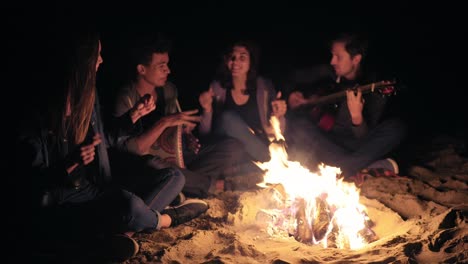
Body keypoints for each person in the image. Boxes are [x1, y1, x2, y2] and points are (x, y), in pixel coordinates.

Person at [16, 29, 208, 262]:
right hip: (64, 201)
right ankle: (168, 218)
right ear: (82, 60)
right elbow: (31, 186)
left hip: (94, 188)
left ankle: (123, 232)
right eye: (97, 54)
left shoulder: (88, 96)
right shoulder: (40, 110)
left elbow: (105, 140)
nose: (101, 60)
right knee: (129, 205)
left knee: (172, 178)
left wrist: (133, 116)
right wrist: (69, 164)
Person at [112, 35, 243, 196]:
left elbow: (173, 133)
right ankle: (211, 185)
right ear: (141, 69)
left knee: (232, 147)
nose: (168, 70)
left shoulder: (168, 90)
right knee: (153, 164)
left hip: (175, 162)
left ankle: (187, 184)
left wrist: (185, 136)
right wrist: (165, 122)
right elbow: (134, 151)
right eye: (162, 66)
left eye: (167, 64)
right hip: (145, 166)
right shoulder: (125, 97)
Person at [285, 32, 406, 182]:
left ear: (356, 59)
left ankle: (341, 169)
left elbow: (364, 139)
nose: (332, 61)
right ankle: (360, 168)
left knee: (396, 128)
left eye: (338, 57)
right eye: (332, 55)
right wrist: (292, 95)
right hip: (327, 142)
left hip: (354, 147)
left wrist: (357, 118)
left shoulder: (373, 90)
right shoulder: (327, 74)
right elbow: (292, 77)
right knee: (297, 124)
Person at [198, 39, 287, 183]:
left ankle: (263, 165)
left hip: (252, 151)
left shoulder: (263, 87)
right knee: (228, 118)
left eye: (242, 57)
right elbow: (205, 134)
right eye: (231, 57)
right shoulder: (217, 87)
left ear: (251, 60)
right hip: (229, 147)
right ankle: (269, 160)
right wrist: (207, 110)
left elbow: (274, 132)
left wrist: (279, 116)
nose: (235, 62)